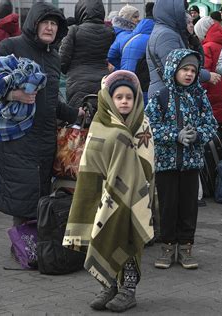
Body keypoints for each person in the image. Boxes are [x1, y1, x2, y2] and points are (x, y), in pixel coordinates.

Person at [63, 70, 155, 312]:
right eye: (119, 97)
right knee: (103, 235)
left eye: (129, 97)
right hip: (103, 194)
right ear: (108, 99)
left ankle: (129, 289)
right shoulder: (100, 123)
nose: (124, 101)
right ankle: (108, 285)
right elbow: (91, 161)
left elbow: (147, 161)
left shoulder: (141, 124)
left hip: (132, 193)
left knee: (128, 237)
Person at [0, 2, 82, 228]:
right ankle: (21, 245)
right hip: (18, 138)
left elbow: (51, 101)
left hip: (45, 139)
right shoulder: (11, 46)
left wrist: (75, 114)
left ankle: (34, 245)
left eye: (54, 24)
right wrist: (12, 94)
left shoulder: (54, 57)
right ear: (33, 25)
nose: (50, 28)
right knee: (22, 197)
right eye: (45, 23)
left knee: (39, 195)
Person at [146, 49, 218, 270]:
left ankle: (186, 247)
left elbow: (211, 124)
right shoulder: (161, 96)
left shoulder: (199, 96)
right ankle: (167, 247)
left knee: (188, 207)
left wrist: (198, 135)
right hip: (166, 164)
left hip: (191, 163)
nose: (189, 74)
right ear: (173, 70)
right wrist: (173, 135)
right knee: (167, 206)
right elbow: (149, 127)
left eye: (193, 70)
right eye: (184, 69)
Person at [147, 0, 219, 98]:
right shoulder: (167, 35)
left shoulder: (166, 31)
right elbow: (177, 66)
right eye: (183, 10)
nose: (185, 14)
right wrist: (207, 76)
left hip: (165, 92)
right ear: (173, 11)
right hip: (167, 96)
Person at [59, 0, 114, 110]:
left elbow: (62, 60)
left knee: (78, 120)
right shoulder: (110, 32)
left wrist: (66, 69)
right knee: (102, 120)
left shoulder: (74, 30)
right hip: (103, 81)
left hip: (77, 82)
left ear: (80, 11)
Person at [195, 16, 222, 134]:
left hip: (210, 94)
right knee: (218, 127)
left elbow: (205, 74)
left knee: (210, 130)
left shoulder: (207, 47)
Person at [119, 3, 155, 103]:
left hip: (126, 79)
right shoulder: (155, 36)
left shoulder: (132, 35)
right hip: (142, 84)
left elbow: (113, 54)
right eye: (135, 17)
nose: (137, 19)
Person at [107, 4, 139, 70]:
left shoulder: (115, 30)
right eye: (135, 17)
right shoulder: (125, 34)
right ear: (127, 17)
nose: (138, 19)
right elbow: (111, 55)